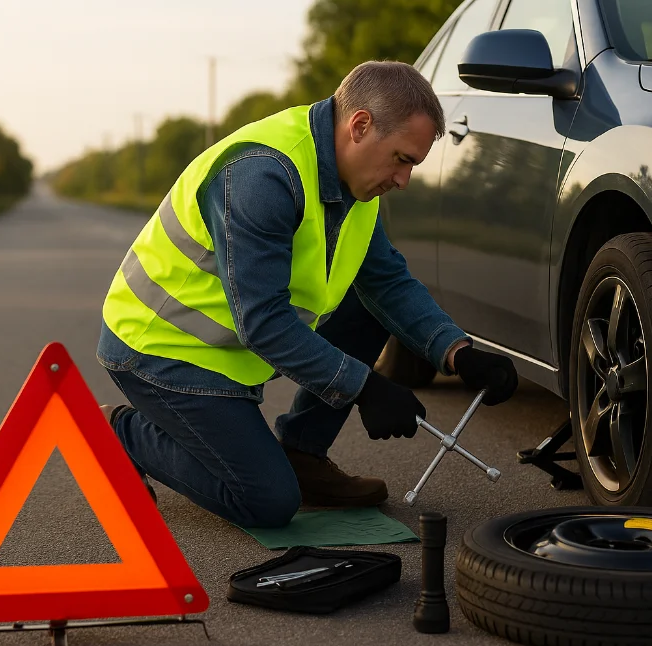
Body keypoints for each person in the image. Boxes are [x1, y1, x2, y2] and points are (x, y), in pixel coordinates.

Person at [96, 60, 518, 529]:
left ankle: (303, 455)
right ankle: (120, 430)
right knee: (268, 502)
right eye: (402, 159)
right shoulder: (260, 176)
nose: (404, 180)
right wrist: (364, 386)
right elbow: (264, 323)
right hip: (160, 351)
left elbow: (387, 282)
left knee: (371, 304)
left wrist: (457, 353)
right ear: (360, 125)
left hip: (229, 347)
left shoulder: (356, 183)